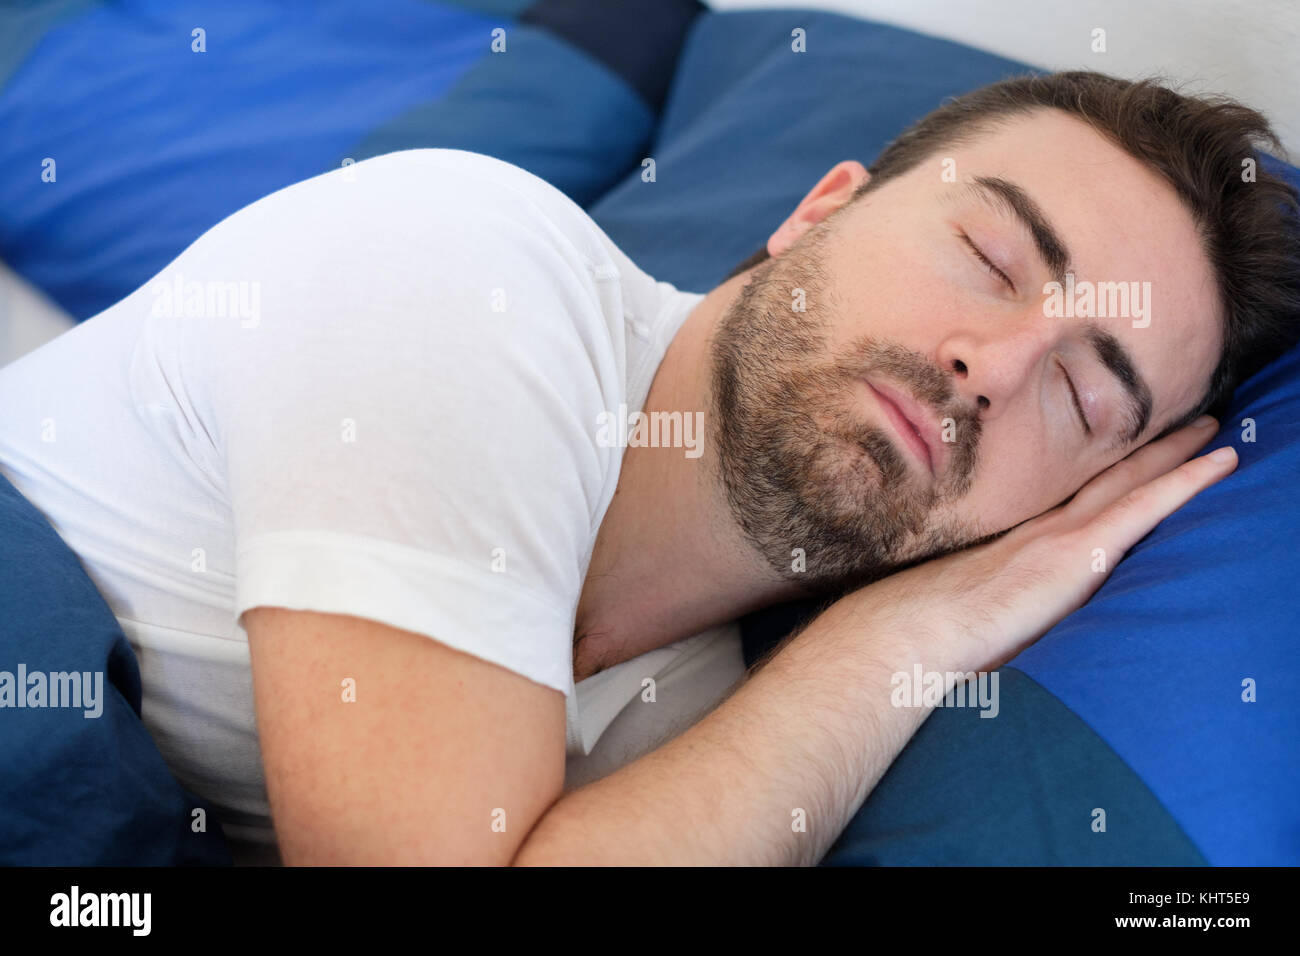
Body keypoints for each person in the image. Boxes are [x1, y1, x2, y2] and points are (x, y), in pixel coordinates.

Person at [1, 71, 1296, 864]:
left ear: (1066, 508)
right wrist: (894, 639)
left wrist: (923, 634)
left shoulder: (691, 739)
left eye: (1081, 393)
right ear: (822, 208)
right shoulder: (467, 269)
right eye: (991, 257)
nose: (990, 369)